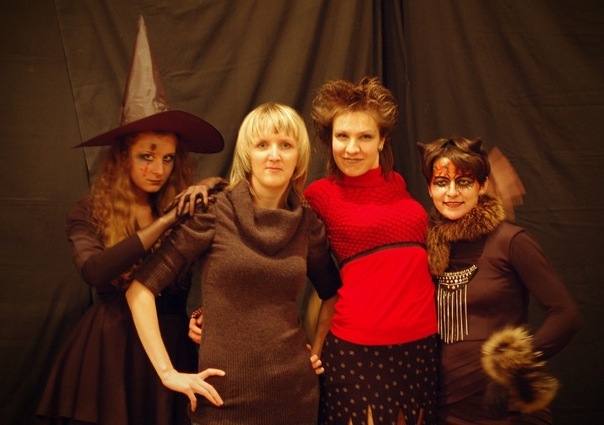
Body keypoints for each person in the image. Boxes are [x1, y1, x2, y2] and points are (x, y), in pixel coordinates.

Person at [36, 16, 225, 425]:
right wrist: (166, 221)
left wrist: (216, 186)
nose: (158, 169)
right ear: (123, 156)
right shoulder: (88, 212)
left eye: (168, 158)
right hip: (111, 353)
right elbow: (94, 270)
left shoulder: (186, 208)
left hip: (171, 347)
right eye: (146, 156)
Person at [125, 102, 342, 424]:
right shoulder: (214, 212)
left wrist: (317, 348)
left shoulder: (307, 224)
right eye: (262, 144)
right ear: (247, 154)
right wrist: (168, 373)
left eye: (285, 145)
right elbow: (140, 290)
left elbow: (333, 293)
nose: (274, 155)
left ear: (299, 157)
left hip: (295, 395)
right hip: (222, 398)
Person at [417, 136, 581, 424]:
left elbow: (566, 315)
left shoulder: (511, 241)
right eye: (441, 182)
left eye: (464, 182)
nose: (452, 192)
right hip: (444, 407)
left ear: (482, 186)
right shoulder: (424, 246)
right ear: (430, 188)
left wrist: (512, 369)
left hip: (506, 407)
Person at [304, 77, 439, 425]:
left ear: (381, 140)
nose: (352, 148)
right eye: (342, 136)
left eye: (365, 137)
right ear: (329, 140)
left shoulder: (398, 184)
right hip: (357, 350)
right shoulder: (319, 195)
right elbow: (273, 249)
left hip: (422, 347)